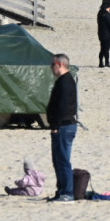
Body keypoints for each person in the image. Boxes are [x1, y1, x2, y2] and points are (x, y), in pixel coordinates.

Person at [46, 54, 78, 202]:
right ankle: (61, 191)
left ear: (59, 64)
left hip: (64, 126)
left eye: (52, 65)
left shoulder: (66, 82)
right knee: (58, 160)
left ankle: (67, 192)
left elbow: (63, 106)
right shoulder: (64, 80)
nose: (51, 68)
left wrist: (56, 125)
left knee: (63, 160)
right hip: (63, 125)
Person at [97, 3, 110, 67]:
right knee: (106, 49)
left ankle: (100, 62)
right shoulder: (108, 15)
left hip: (101, 33)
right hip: (107, 35)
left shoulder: (100, 13)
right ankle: (107, 62)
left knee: (102, 48)